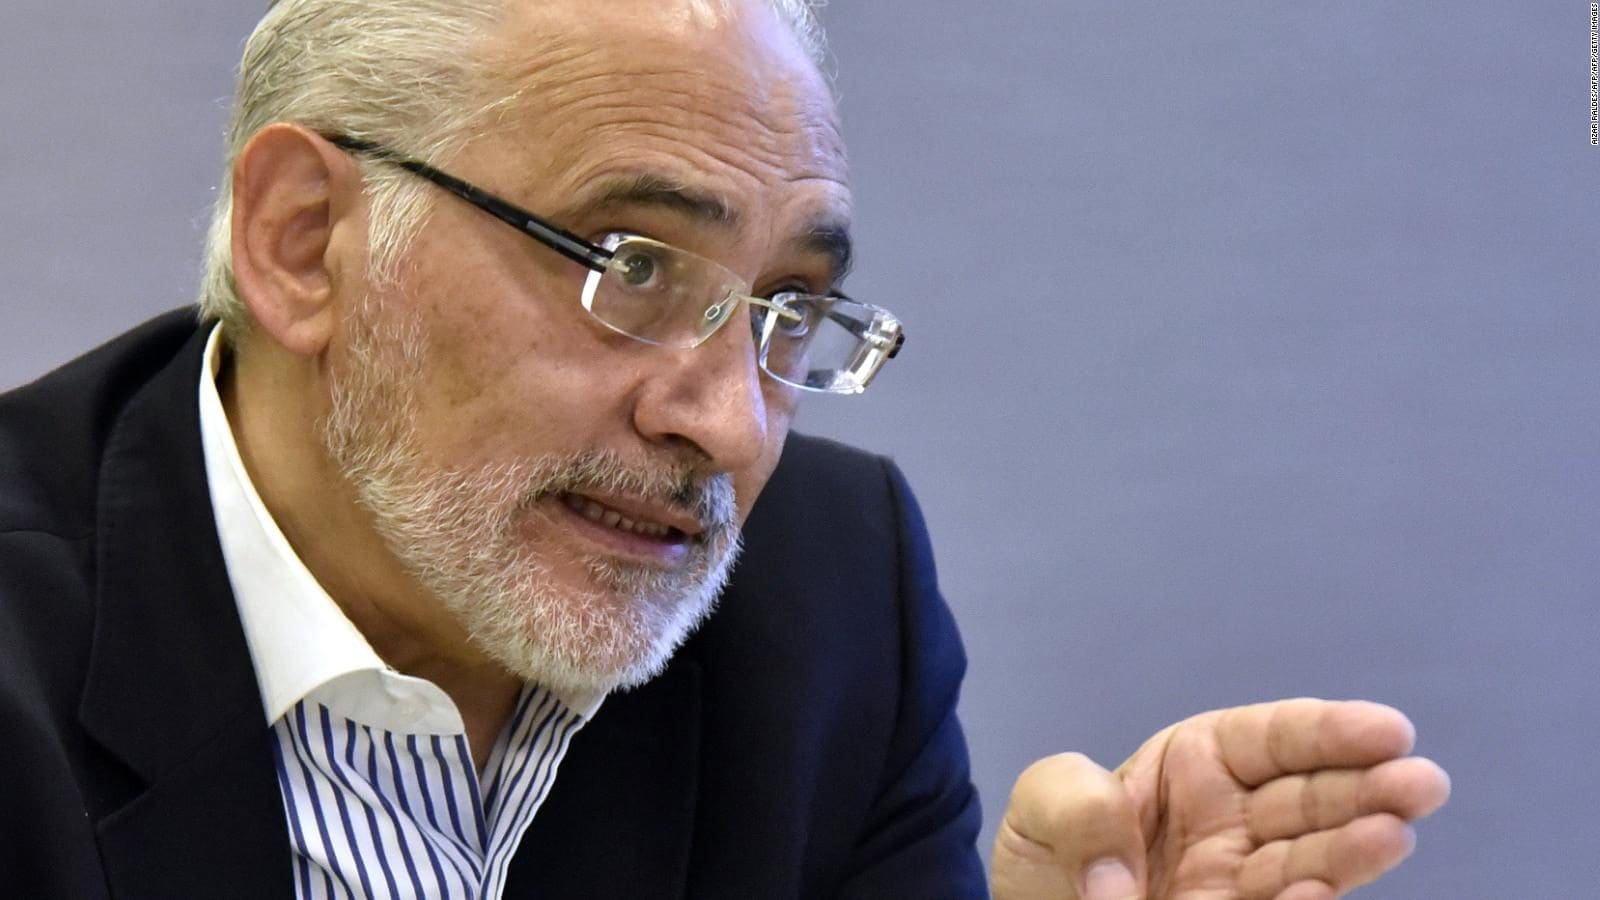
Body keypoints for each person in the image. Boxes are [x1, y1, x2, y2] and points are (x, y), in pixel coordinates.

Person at [0, 1, 1448, 897]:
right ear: (305, 242)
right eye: (630, 265)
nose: (730, 424)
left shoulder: (831, 602)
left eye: (789, 310)